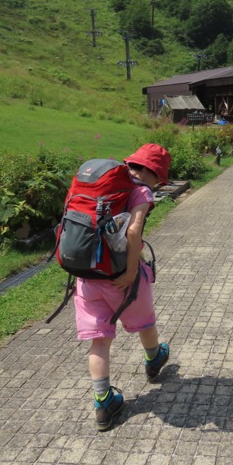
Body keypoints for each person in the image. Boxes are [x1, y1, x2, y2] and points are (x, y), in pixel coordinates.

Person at [73, 143, 172, 432]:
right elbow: (133, 229)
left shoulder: (103, 187)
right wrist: (130, 272)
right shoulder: (140, 191)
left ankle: (103, 401)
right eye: (159, 179)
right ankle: (154, 358)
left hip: (87, 276)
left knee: (99, 340)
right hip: (121, 276)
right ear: (152, 173)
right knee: (144, 321)